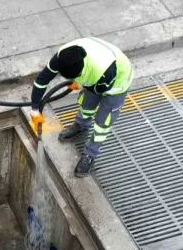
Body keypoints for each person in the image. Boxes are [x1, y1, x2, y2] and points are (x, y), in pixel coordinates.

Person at [30, 37, 133, 178]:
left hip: (117, 81)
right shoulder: (62, 56)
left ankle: (90, 153)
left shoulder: (102, 70)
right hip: (96, 72)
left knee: (103, 121)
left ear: (82, 69)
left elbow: (100, 89)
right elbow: (41, 81)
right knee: (86, 104)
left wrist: (81, 84)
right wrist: (35, 110)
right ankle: (81, 126)